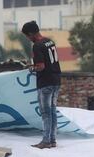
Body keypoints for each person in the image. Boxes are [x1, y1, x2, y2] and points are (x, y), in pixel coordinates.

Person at [22, 21, 61, 149]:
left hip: (45, 83)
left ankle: (45, 141)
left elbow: (41, 66)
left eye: (27, 36)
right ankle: (52, 140)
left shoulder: (37, 46)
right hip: (56, 80)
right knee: (53, 111)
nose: (28, 39)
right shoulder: (49, 42)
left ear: (31, 33)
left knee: (45, 113)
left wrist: (31, 68)